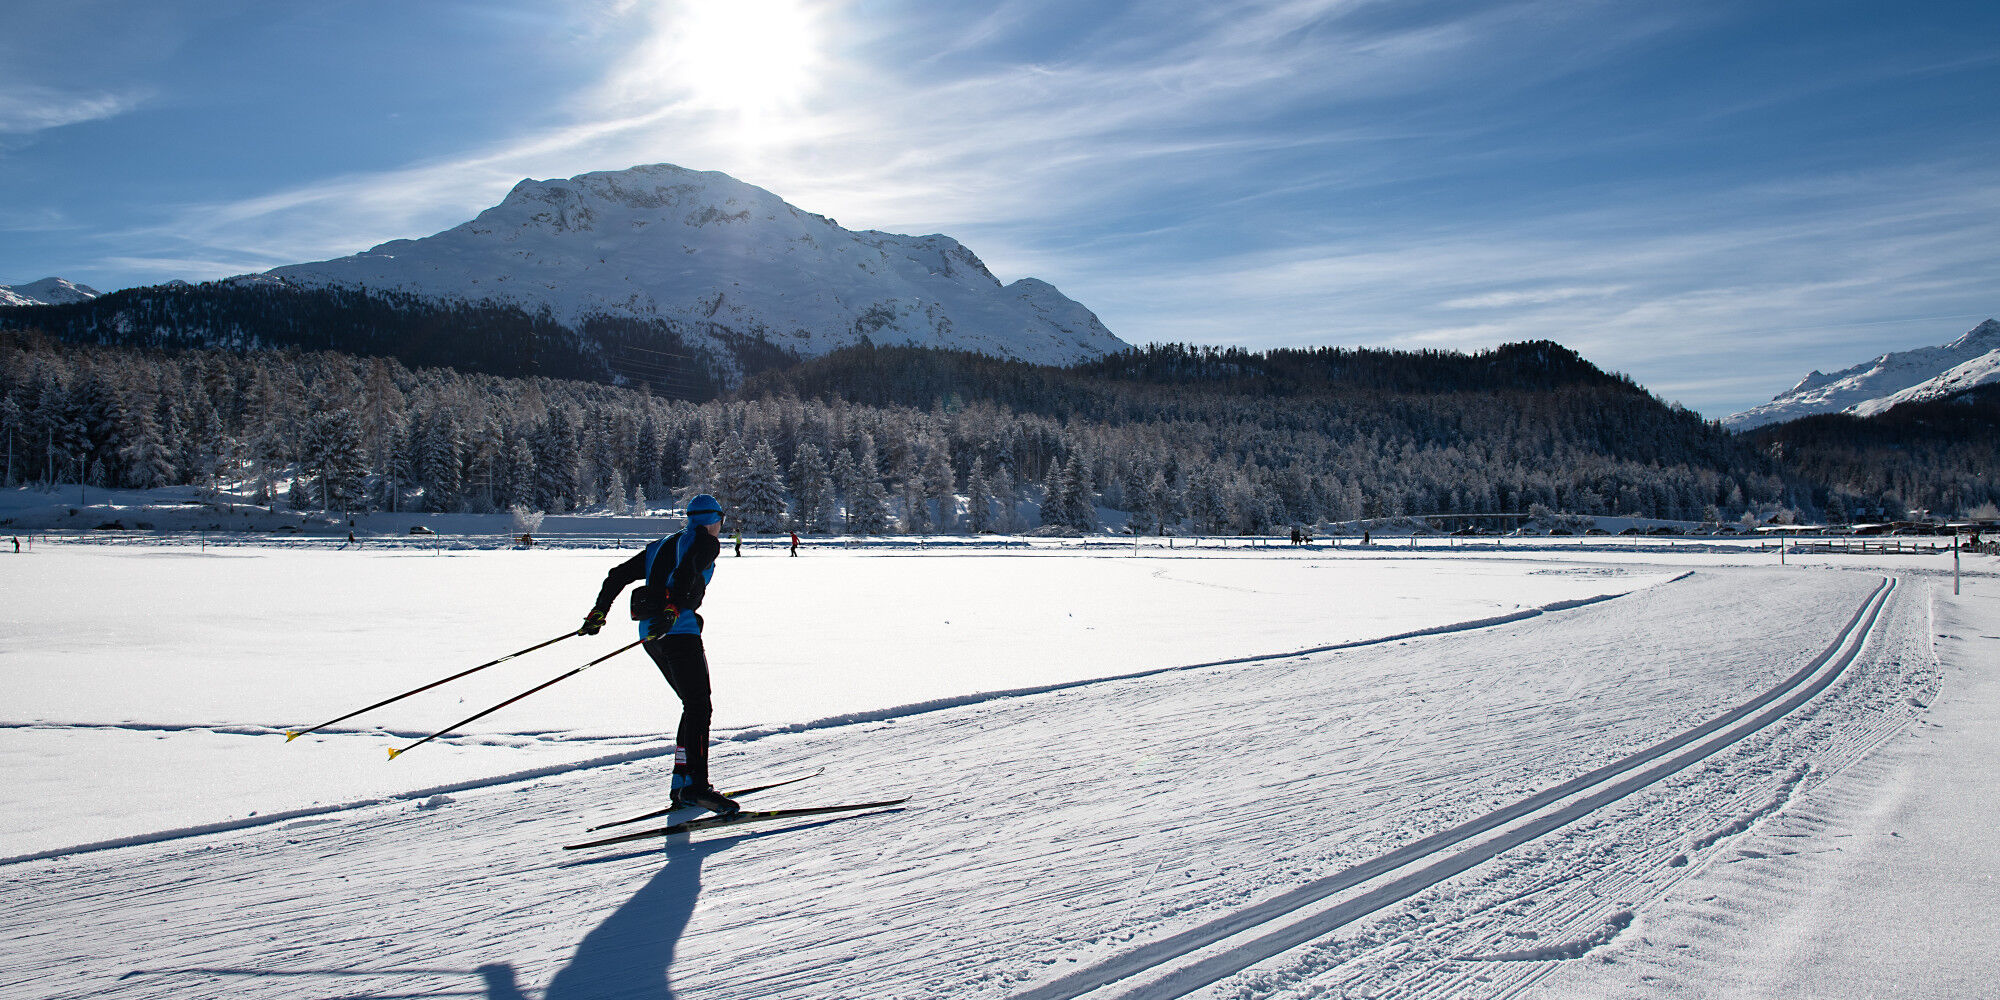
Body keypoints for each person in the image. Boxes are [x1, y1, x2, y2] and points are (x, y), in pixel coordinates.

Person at [579, 494, 738, 815]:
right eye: (721, 520)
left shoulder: (661, 544)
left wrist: (599, 612)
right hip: (678, 629)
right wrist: (673, 608)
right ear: (713, 519)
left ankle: (683, 782)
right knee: (699, 705)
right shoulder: (705, 542)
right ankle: (695, 786)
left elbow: (617, 574)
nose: (721, 527)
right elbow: (686, 572)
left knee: (691, 706)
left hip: (650, 635)